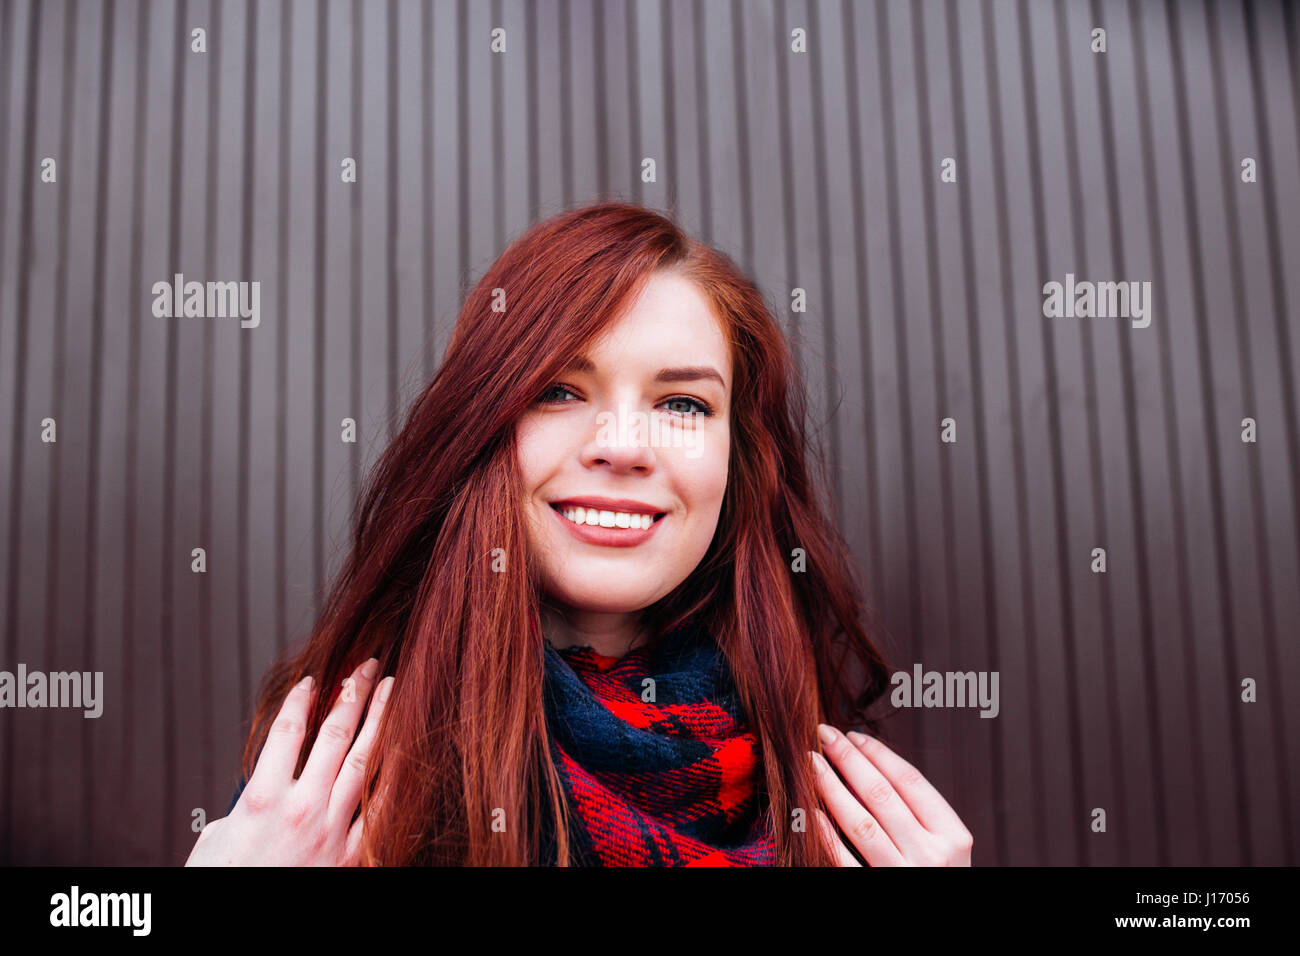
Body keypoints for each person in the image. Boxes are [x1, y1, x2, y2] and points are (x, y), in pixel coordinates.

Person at [185, 200, 973, 866]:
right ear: (483, 425)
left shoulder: (840, 818)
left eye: (683, 404)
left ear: (739, 463)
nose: (623, 444)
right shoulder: (334, 787)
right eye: (560, 390)